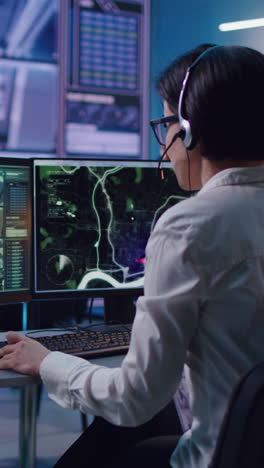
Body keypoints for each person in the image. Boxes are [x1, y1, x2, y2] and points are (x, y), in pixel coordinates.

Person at [1, 43, 264, 467]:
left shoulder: (189, 226)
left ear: (189, 129)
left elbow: (134, 398)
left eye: (165, 124)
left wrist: (47, 361)